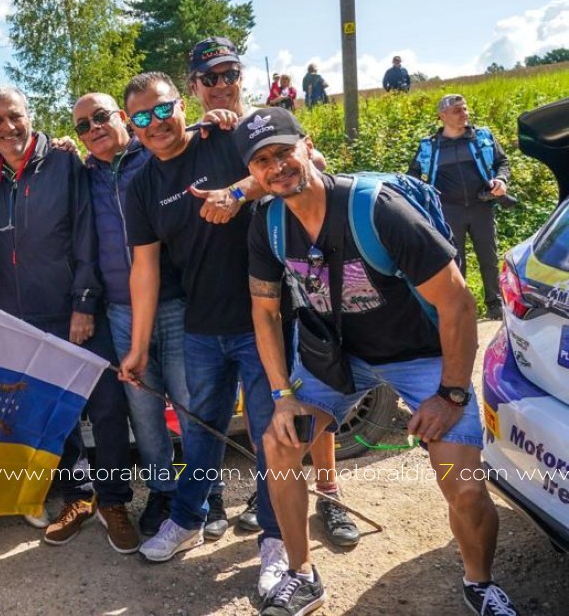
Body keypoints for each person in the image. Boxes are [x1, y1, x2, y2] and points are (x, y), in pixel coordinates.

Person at [239, 107, 518, 616]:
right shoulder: (268, 224)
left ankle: (479, 583)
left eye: (283, 151)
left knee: (464, 486)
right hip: (337, 358)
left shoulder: (378, 210)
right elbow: (264, 310)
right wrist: (281, 396)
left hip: (420, 356)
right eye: (261, 160)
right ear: (252, 173)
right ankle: (303, 575)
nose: (276, 166)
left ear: (307, 144)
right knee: (278, 448)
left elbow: (457, 302)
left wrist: (451, 392)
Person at [150, 37, 355, 549]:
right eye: (209, 77)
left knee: (308, 403)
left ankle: (326, 500)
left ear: (242, 76)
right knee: (261, 422)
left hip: (296, 294)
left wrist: (238, 192)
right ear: (192, 86)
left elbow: (309, 163)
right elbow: (151, 149)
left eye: (229, 74)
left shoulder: (262, 123)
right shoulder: (194, 135)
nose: (221, 85)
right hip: (224, 308)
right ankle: (261, 511)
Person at [118, 63, 287, 598]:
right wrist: (138, 348)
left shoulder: (222, 138)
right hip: (201, 326)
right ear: (131, 124)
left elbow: (295, 165)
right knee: (199, 434)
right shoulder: (139, 184)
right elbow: (143, 269)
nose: (156, 122)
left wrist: (236, 193)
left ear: (181, 106)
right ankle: (188, 520)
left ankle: (277, 540)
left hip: (264, 318)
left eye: (164, 108)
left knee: (272, 436)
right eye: (143, 115)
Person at [0, 86, 138, 556]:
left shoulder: (66, 162)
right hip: (21, 317)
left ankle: (113, 500)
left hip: (75, 310)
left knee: (107, 405)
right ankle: (78, 497)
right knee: (54, 411)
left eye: (14, 116)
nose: (8, 128)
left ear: (30, 115)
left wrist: (84, 303)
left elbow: (87, 234)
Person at [73, 91, 189, 540]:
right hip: (120, 309)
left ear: (122, 118)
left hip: (175, 303)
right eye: (82, 126)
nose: (93, 129)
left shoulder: (156, 154)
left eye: (100, 117)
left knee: (189, 402)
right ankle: (162, 490)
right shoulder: (84, 173)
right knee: (142, 410)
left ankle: (204, 493)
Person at [408, 93, 510, 320]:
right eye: (457, 111)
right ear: (442, 116)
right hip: (447, 211)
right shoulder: (429, 146)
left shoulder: (482, 136)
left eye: (465, 109)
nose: (464, 114)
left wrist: (501, 181)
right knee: (454, 260)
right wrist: (424, 198)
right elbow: (412, 175)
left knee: (489, 258)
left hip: (481, 206)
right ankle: (460, 306)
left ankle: (494, 304)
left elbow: (502, 162)